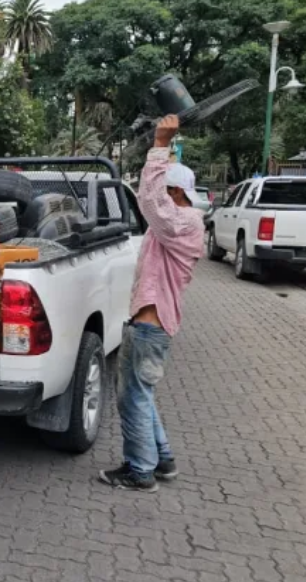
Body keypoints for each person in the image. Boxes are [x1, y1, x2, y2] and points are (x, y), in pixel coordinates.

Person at [98, 115, 205, 492]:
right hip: (152, 326)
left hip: (150, 328)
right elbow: (154, 204)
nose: (161, 196)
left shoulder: (182, 222)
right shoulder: (181, 223)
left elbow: (150, 201)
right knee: (142, 395)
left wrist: (160, 145)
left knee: (132, 400)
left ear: (176, 194)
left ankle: (140, 471)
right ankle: (162, 458)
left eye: (166, 191)